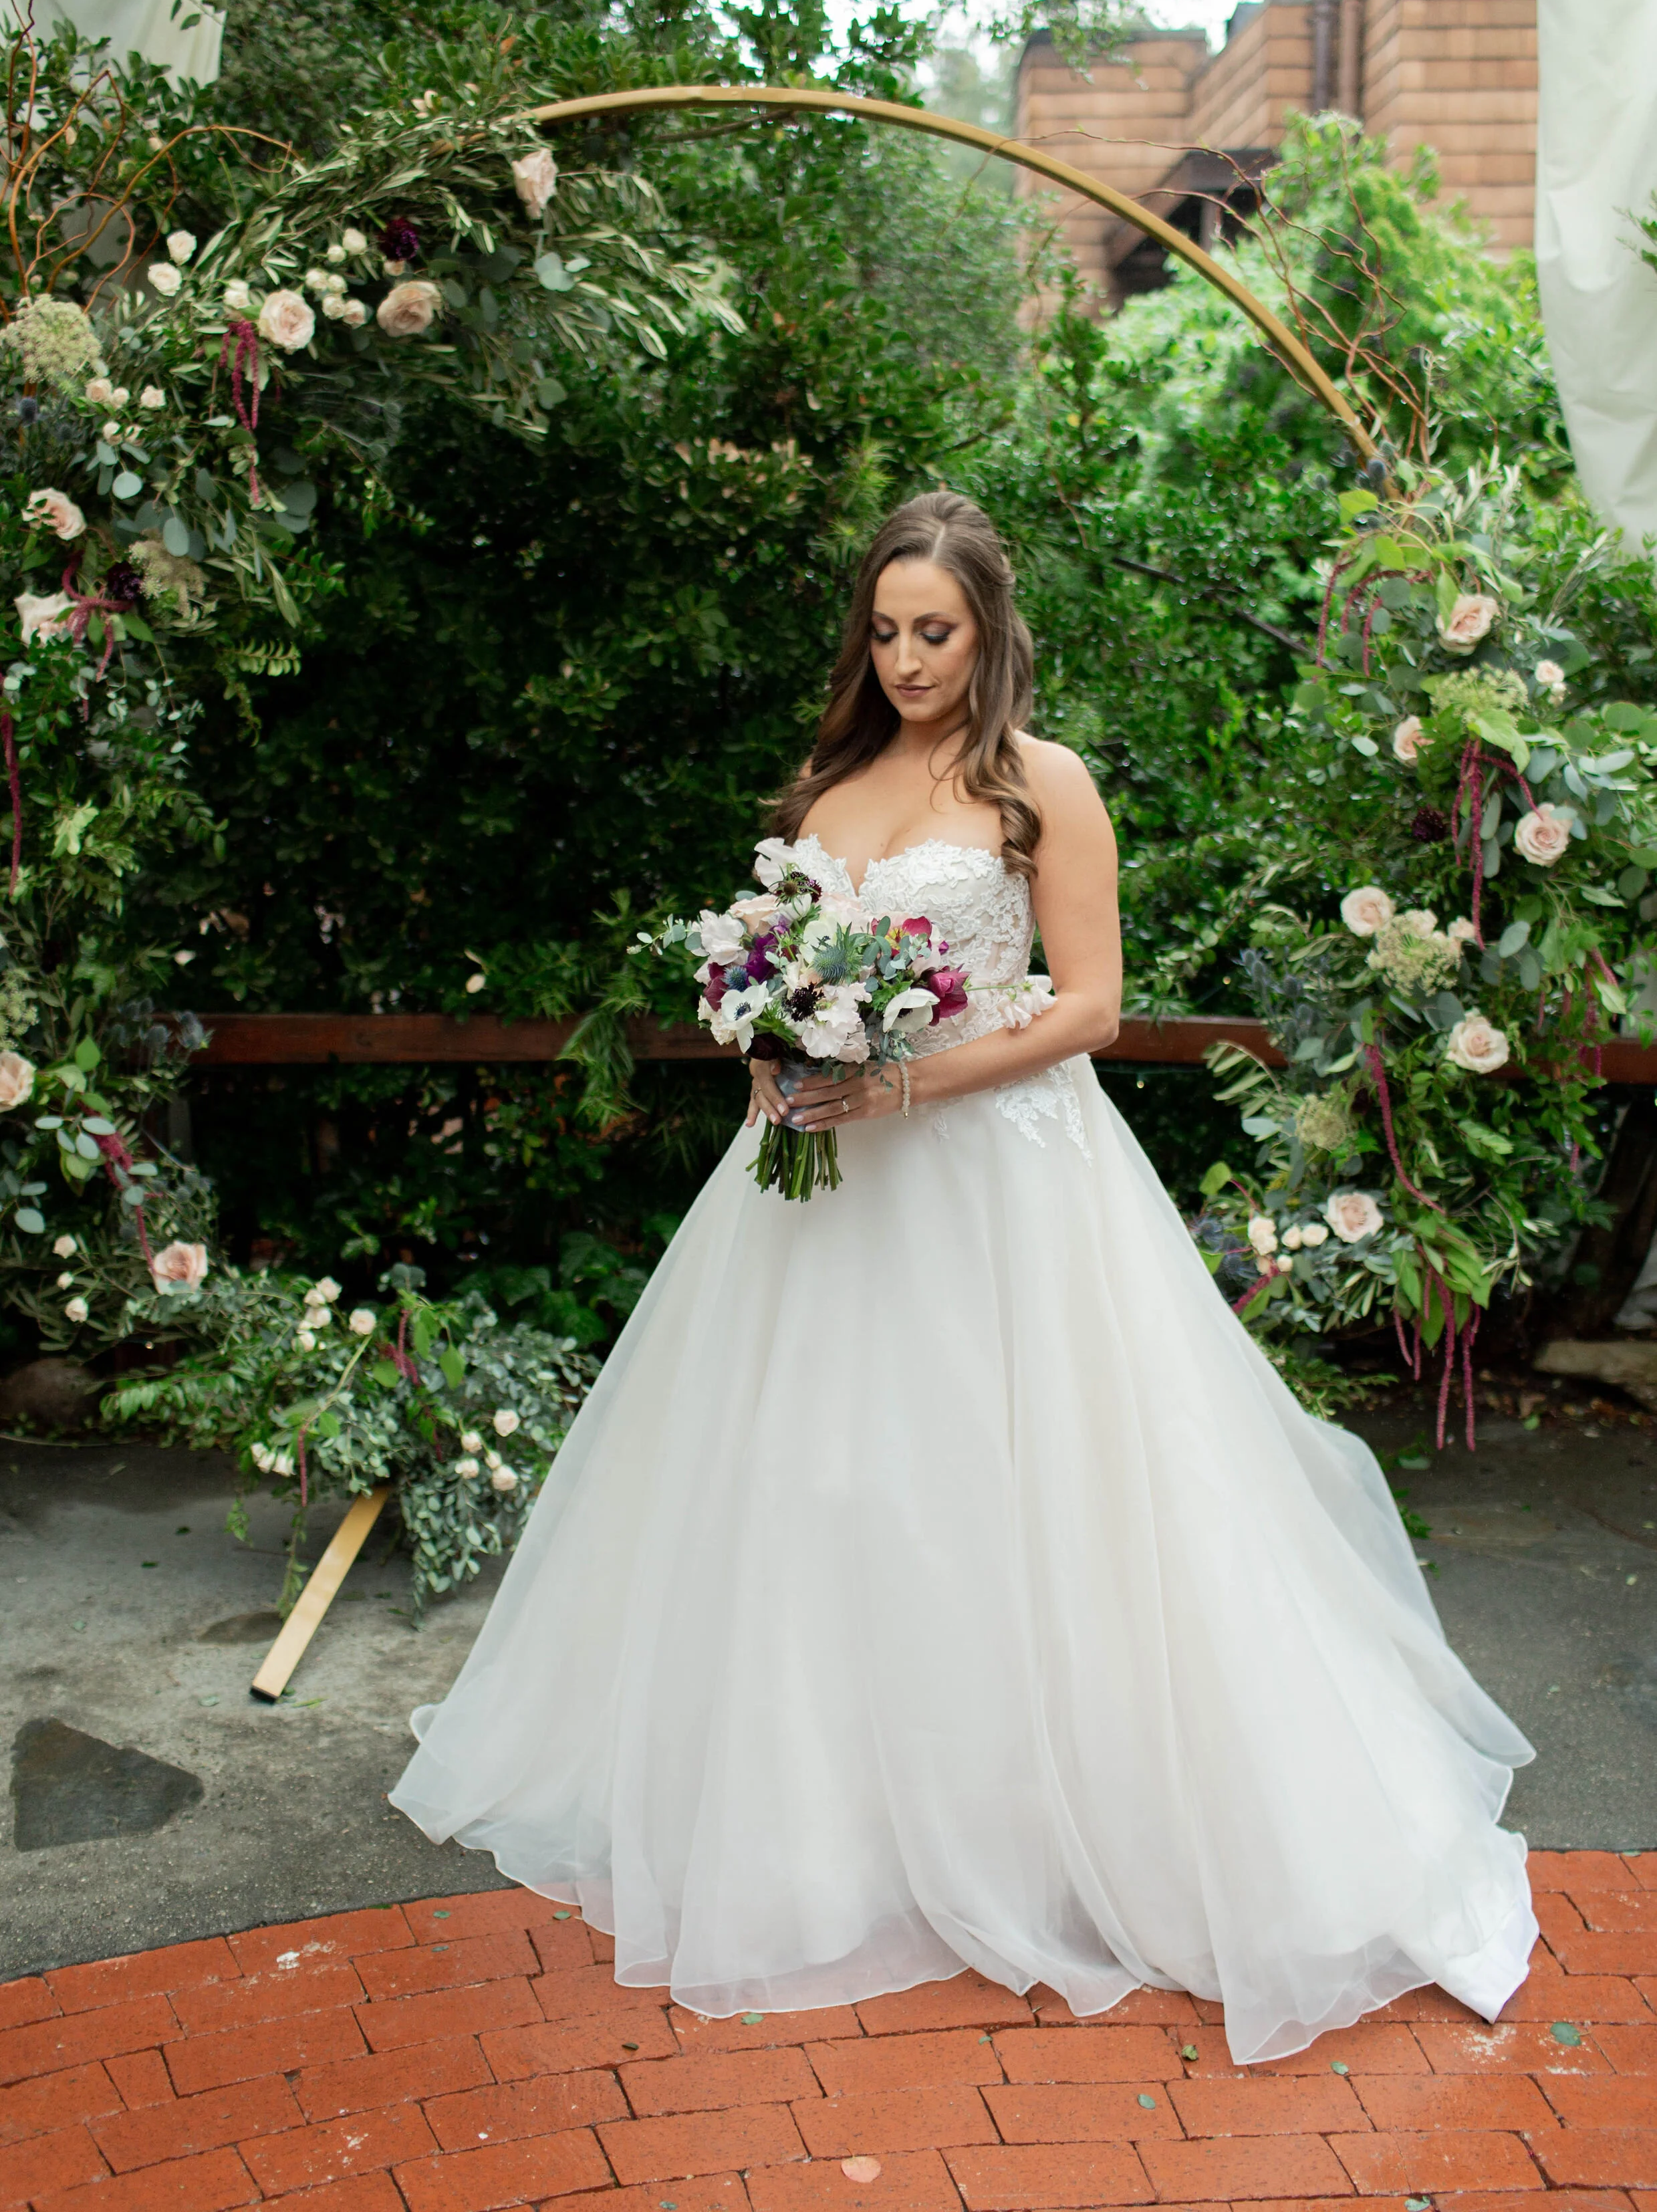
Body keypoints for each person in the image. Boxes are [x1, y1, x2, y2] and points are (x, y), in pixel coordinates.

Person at [390, 489, 1537, 2063]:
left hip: (1003, 1184)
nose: (909, 656)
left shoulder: (1038, 785)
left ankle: (1047, 1816)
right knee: (823, 1490)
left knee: (1028, 1484)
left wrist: (909, 1084)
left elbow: (1095, 1006)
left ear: (988, 630)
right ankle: (826, 1827)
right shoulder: (827, 790)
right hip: (816, 1190)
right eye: (885, 629)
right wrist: (776, 1073)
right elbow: (770, 995)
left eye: (936, 630)